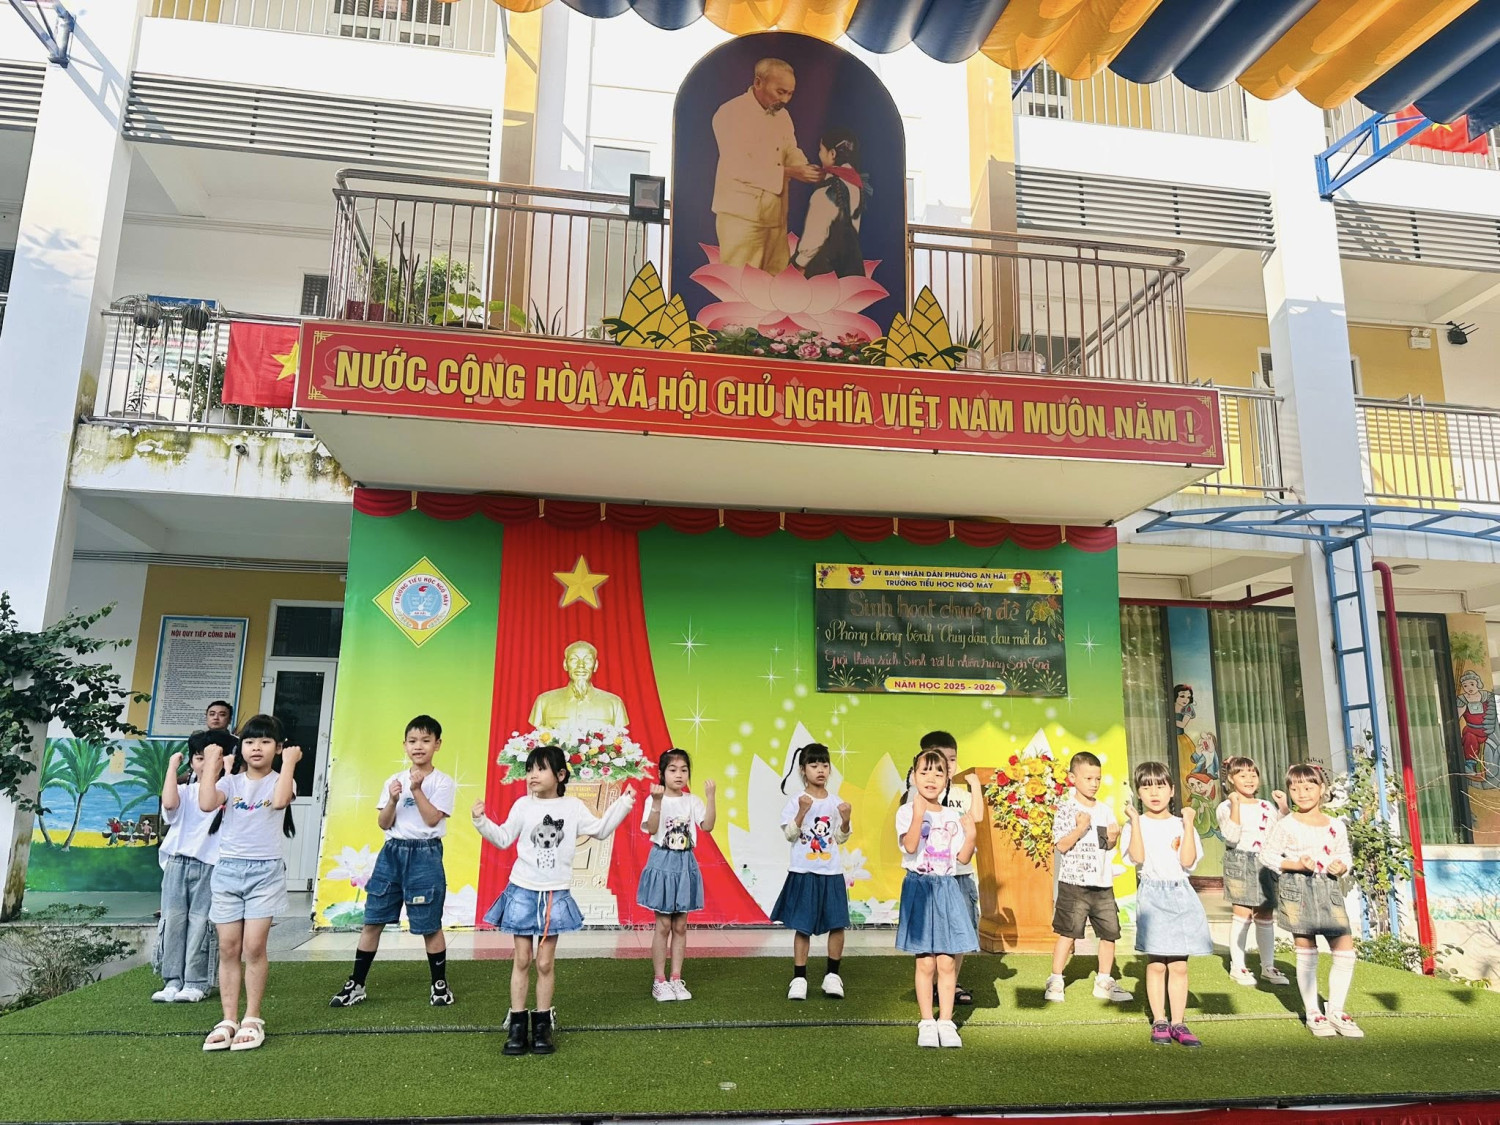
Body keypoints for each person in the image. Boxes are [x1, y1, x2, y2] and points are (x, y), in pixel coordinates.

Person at [472, 745, 635, 1055]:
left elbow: (600, 830)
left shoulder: (573, 807)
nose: (532, 775)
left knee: (545, 962)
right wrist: (480, 821)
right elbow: (503, 838)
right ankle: (517, 1025)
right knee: (522, 959)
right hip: (522, 890)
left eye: (540, 769)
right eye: (529, 769)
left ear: (560, 775)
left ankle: (542, 1025)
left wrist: (624, 802)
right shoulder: (523, 805)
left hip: (554, 893)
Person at [330, 715, 457, 1009]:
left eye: (425, 741)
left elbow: (432, 819)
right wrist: (391, 800)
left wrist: (416, 790)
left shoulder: (443, 782)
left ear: (437, 745)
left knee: (429, 923)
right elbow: (384, 823)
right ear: (404, 745)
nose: (418, 746)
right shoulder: (393, 780)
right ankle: (357, 984)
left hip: (425, 853)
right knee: (373, 919)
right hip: (392, 852)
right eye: (412, 741)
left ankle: (439, 985)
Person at [197, 714, 298, 1052]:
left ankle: (252, 1017)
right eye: (250, 741)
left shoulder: (282, 780)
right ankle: (228, 1019)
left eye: (266, 741)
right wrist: (211, 765)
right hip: (228, 871)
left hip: (265, 873)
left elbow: (281, 800)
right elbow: (206, 803)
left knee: (253, 947)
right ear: (240, 748)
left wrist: (290, 763)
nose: (257, 747)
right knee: (228, 947)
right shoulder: (232, 783)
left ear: (278, 748)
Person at [1260, 762, 1362, 1038]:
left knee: (1345, 949)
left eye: (1308, 787)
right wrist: (1295, 864)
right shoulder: (1286, 824)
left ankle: (1336, 1009)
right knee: (1306, 951)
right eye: (1295, 788)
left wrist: (1341, 866)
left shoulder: (1336, 825)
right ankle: (1313, 1012)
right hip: (1298, 889)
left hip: (1329, 889)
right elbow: (1267, 855)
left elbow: (1344, 855)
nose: (1302, 793)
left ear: (1322, 789)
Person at [1120, 760, 1211, 1048]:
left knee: (1180, 964)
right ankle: (1160, 1020)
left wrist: (1189, 823)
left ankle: (1178, 1022)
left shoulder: (1181, 824)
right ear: (1138, 793)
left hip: (1181, 893)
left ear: (1172, 790)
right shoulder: (1135, 824)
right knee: (1157, 962)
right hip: (1152, 895)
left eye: (1160, 786)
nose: (1154, 793)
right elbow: (1137, 858)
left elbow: (1187, 861)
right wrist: (1135, 822)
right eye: (1146, 787)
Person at [895, 748, 978, 1048]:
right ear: (914, 776)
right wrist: (919, 815)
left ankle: (946, 1021)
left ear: (947, 780)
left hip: (947, 888)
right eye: (924, 772)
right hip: (919, 888)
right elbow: (910, 846)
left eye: (938, 772)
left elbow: (962, 858)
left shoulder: (952, 815)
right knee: (925, 963)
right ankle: (927, 1022)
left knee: (946, 962)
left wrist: (971, 835)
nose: (931, 778)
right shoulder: (906, 811)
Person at [710, 57, 823, 273]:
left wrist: (806, 168)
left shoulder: (783, 116)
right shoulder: (730, 113)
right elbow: (738, 166)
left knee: (775, 283)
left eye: (790, 94)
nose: (785, 99)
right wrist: (792, 172)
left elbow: (790, 149)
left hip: (775, 216)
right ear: (758, 82)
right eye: (780, 92)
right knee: (741, 282)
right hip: (740, 218)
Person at [1045, 750, 1129, 1004]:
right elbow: (1061, 845)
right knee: (1068, 932)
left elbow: (1106, 846)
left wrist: (1113, 839)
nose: (1094, 784)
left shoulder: (1105, 810)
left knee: (1109, 933)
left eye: (1098, 779)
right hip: (1074, 884)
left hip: (1102, 884)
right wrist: (1080, 827)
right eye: (1088, 778)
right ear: (1073, 778)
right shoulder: (1066, 808)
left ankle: (1104, 980)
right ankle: (1056, 979)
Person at [770, 743, 852, 1000]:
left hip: (831, 872)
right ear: (803, 770)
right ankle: (799, 978)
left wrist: (846, 820)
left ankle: (832, 976)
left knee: (837, 924)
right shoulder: (796, 801)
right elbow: (790, 834)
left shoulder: (836, 802)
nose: (820, 770)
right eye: (814, 765)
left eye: (825, 765)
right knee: (802, 926)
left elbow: (841, 838)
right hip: (804, 871)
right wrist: (802, 811)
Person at [153, 729, 229, 1004]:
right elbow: (169, 803)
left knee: (201, 922)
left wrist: (224, 768)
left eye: (212, 758)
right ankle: (172, 980)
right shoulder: (185, 791)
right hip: (177, 862)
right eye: (199, 758)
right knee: (172, 920)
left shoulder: (227, 791)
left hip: (210, 865)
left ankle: (196, 981)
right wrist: (172, 767)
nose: (205, 764)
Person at [637, 748, 716, 1001]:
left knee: (680, 925)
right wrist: (656, 802)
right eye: (673, 770)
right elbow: (651, 829)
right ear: (662, 774)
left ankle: (676, 978)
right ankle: (659, 980)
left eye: (684, 770)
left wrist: (711, 797)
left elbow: (708, 826)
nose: (679, 775)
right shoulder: (654, 799)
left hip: (685, 862)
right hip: (662, 860)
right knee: (663, 925)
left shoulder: (692, 801)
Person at [917, 731, 982, 1004]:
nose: (947, 765)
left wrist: (975, 786)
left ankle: (951, 983)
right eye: (940, 759)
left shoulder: (960, 794)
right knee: (931, 934)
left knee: (960, 931)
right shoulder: (920, 793)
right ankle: (931, 983)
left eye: (952, 759)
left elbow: (977, 816)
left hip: (961, 875)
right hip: (932, 877)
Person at [1215, 755, 1290, 988]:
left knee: (1265, 916)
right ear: (1231, 778)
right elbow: (1231, 836)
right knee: (1243, 914)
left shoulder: (1266, 805)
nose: (1249, 779)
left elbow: (1283, 832)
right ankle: (1238, 965)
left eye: (1253, 774)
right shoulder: (1225, 806)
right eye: (1242, 775)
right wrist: (1236, 805)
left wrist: (1283, 807)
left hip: (1265, 862)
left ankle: (1268, 966)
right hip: (1240, 861)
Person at [791, 126, 867, 279]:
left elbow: (814, 237)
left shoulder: (826, 191)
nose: (819, 154)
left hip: (825, 271)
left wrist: (799, 264)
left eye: (821, 150)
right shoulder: (855, 184)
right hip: (850, 268)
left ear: (832, 154)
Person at [528, 640, 629, 730]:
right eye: (574, 660)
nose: (581, 665)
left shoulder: (614, 703)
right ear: (565, 664)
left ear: (595, 665)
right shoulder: (544, 701)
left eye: (587, 660)